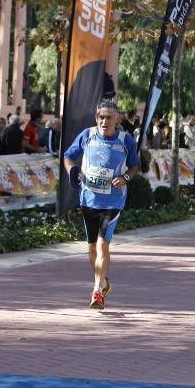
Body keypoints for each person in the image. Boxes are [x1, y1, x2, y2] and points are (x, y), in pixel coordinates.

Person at [63, 100, 140, 310]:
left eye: (109, 117)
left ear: (118, 118)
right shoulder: (87, 135)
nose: (104, 121)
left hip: (113, 201)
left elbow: (134, 165)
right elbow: (68, 156)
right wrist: (73, 170)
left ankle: (97, 291)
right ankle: (103, 280)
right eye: (101, 117)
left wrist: (125, 177)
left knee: (102, 245)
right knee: (91, 249)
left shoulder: (126, 140)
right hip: (88, 199)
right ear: (96, 118)